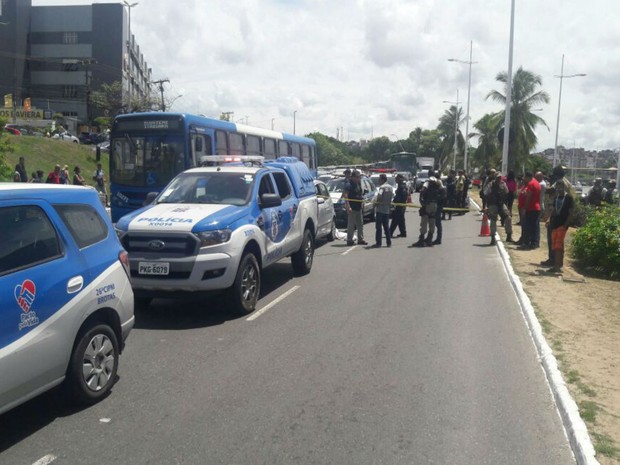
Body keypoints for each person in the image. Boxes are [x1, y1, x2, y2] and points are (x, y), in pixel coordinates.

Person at [546, 180, 574, 273]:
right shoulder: (556, 197)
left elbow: (571, 213)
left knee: (558, 245)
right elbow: (553, 210)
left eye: (561, 186)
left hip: (562, 225)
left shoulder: (568, 198)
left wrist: (565, 225)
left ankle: (557, 266)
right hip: (554, 224)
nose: (559, 189)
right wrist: (549, 219)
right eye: (557, 187)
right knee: (554, 245)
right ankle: (557, 264)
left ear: (565, 187)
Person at [484, 170, 514, 245]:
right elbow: (485, 193)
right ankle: (493, 238)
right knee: (493, 220)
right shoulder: (491, 184)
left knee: (508, 217)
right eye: (497, 177)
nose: (499, 178)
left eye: (500, 177)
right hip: (493, 204)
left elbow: (507, 192)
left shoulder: (503, 184)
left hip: (501, 204)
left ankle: (509, 235)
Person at [412, 175, 442, 247]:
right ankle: (429, 240)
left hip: (427, 205)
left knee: (424, 221)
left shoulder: (427, 183)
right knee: (432, 221)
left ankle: (421, 240)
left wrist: (422, 202)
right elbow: (443, 193)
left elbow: (422, 191)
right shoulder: (438, 184)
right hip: (435, 205)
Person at [343, 170, 367, 246]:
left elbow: (360, 194)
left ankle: (360, 239)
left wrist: (362, 201)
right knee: (351, 225)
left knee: (360, 225)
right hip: (352, 208)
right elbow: (345, 195)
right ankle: (349, 240)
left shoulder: (358, 184)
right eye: (357, 177)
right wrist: (348, 206)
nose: (358, 179)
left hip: (358, 207)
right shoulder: (348, 184)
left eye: (359, 177)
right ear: (352, 177)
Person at [520, 172, 542, 250]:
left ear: (527, 177)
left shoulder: (531, 184)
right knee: (535, 227)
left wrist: (525, 208)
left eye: (524, 177)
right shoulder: (537, 183)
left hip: (531, 208)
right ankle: (534, 243)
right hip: (537, 207)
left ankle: (527, 243)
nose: (524, 179)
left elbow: (529, 197)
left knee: (528, 226)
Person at [371, 173, 393, 248]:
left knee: (378, 227)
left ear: (383, 180)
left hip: (380, 210)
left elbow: (379, 197)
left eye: (379, 179)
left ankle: (378, 243)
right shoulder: (390, 187)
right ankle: (388, 242)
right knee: (386, 227)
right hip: (387, 210)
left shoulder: (382, 188)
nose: (378, 181)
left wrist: (375, 204)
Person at [389, 173, 408, 238]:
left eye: (396, 178)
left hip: (400, 205)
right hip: (400, 205)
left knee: (395, 219)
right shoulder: (400, 185)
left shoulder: (402, 186)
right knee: (401, 220)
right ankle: (403, 233)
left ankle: (390, 232)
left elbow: (402, 196)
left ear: (400, 178)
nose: (395, 179)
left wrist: (396, 200)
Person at [432, 170, 447, 245]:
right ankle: (436, 238)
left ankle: (439, 239)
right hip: (436, 206)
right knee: (435, 222)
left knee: (438, 223)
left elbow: (442, 197)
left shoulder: (440, 187)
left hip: (438, 206)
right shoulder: (439, 186)